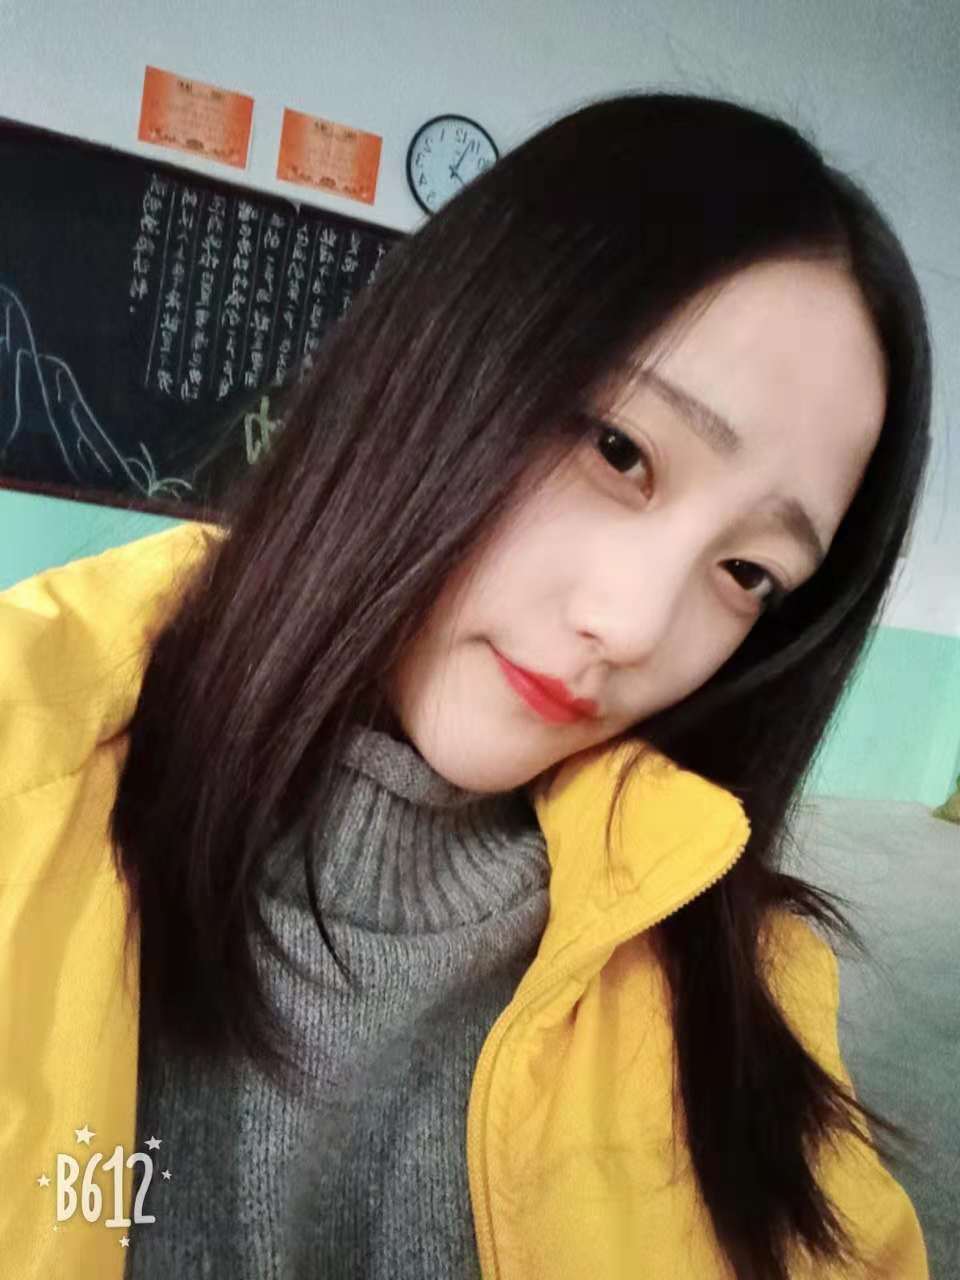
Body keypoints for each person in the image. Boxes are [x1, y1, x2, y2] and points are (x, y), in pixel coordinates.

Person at [0, 91, 932, 1279]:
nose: (633, 626)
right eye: (619, 450)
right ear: (441, 356)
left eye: (749, 572)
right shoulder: (23, 750)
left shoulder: (748, 977)